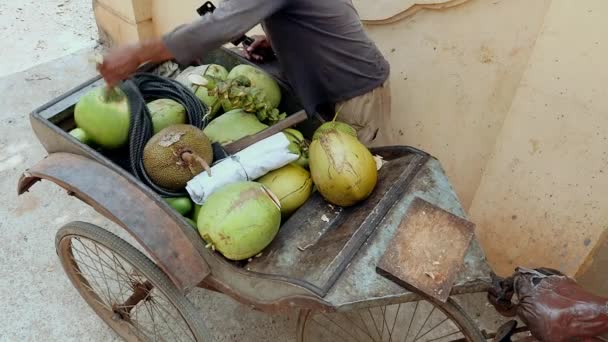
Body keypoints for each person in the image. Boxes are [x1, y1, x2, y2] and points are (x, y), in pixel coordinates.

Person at [98, 0, 392, 146]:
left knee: (361, 180)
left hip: (356, 90)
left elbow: (218, 26)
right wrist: (277, 41)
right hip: (335, 82)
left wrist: (138, 52)